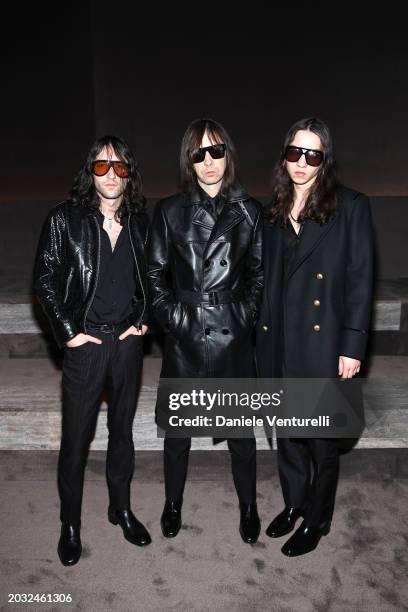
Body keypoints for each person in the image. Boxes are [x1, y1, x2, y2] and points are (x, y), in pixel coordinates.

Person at [256, 117, 374, 556]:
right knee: (288, 434)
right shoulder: (272, 210)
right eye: (294, 153)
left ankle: (318, 518)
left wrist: (352, 345)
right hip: (280, 342)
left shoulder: (350, 206)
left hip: (323, 345)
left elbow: (361, 280)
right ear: (284, 155)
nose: (301, 163)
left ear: (325, 160)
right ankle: (294, 503)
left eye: (312, 155)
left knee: (322, 442)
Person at [34, 135, 151, 566]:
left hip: (126, 345)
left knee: (122, 435)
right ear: (91, 172)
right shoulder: (65, 219)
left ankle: (120, 508)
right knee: (76, 442)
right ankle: (70, 524)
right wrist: (68, 333)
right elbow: (45, 280)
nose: (110, 174)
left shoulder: (140, 222)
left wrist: (144, 320)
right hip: (86, 346)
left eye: (119, 166)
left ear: (129, 174)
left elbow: (155, 278)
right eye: (101, 166)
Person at [147, 118, 263, 543]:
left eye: (216, 151)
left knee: (240, 434)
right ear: (189, 161)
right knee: (177, 434)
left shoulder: (249, 211)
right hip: (186, 335)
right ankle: (172, 503)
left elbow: (259, 275)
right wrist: (176, 321)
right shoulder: (169, 211)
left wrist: (244, 315)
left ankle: (249, 506)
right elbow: (154, 276)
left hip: (232, 332)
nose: (209, 161)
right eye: (199, 154)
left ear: (227, 155)